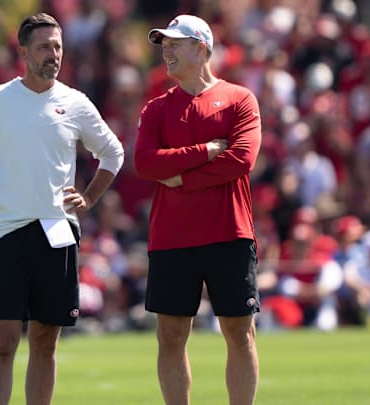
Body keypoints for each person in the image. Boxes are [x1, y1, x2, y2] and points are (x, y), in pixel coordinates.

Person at [0, 13, 124, 404]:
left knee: (45, 341)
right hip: (7, 232)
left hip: (58, 230)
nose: (53, 53)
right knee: (3, 341)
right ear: (23, 52)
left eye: (57, 46)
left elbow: (112, 152)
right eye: (44, 46)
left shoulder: (75, 102)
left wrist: (89, 197)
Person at [135, 15, 263, 405]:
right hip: (172, 236)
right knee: (171, 336)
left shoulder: (240, 98)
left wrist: (183, 177)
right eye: (164, 43)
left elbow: (241, 159)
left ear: (202, 47)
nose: (166, 50)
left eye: (176, 42)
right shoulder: (156, 108)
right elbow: (146, 164)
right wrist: (205, 151)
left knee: (240, 332)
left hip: (229, 232)